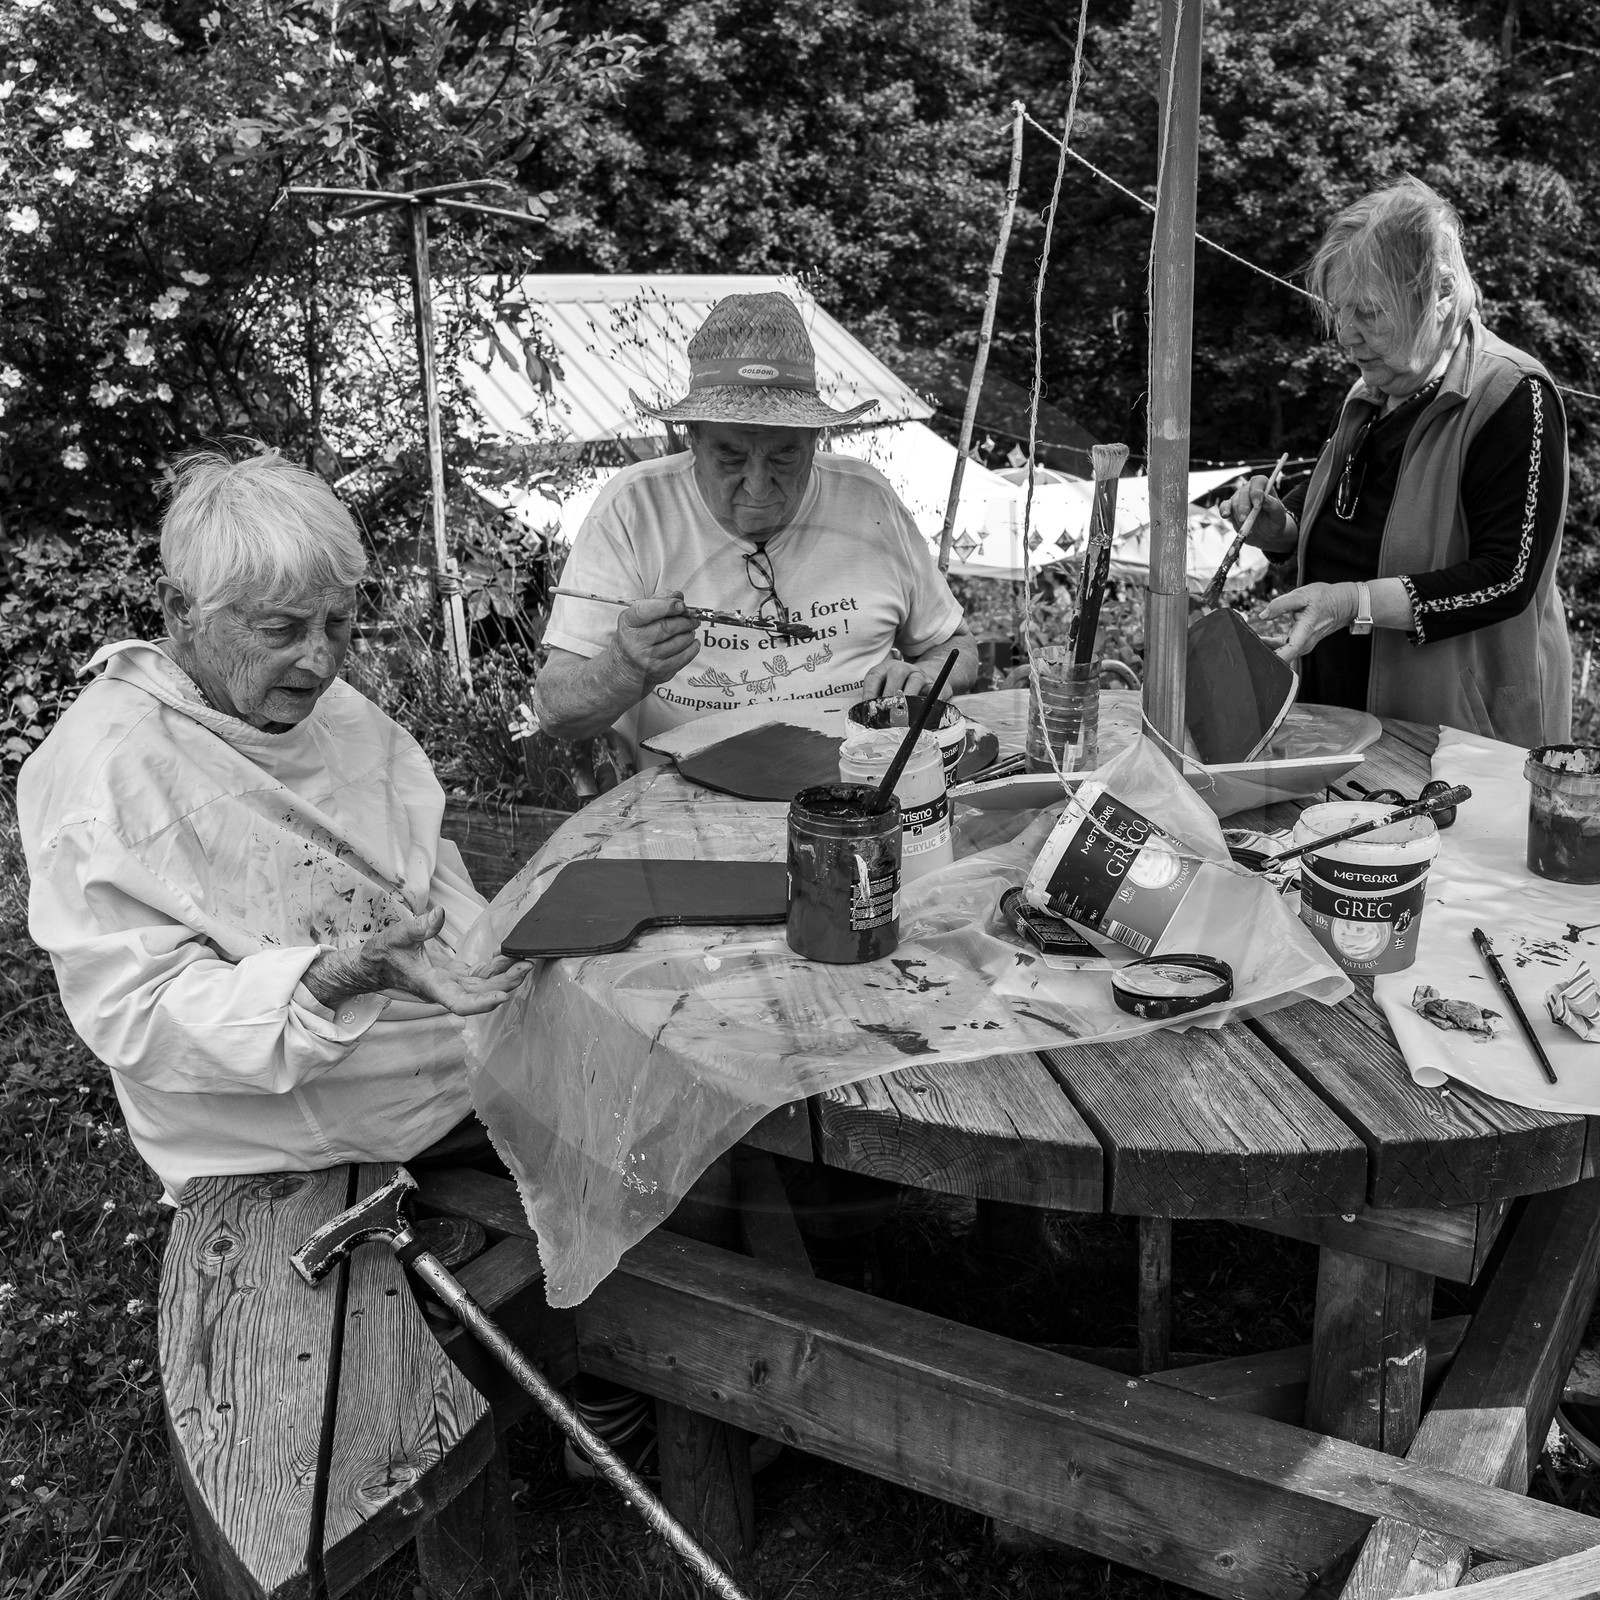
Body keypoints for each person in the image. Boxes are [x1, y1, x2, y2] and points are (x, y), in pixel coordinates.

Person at [18, 450, 530, 1202]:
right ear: (177, 611)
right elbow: (135, 1016)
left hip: (455, 1071)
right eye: (282, 628)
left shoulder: (337, 711)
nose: (319, 660)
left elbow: (424, 862)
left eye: (339, 622)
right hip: (299, 1149)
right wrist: (337, 976)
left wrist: (501, 950)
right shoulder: (107, 772)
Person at [534, 291, 978, 760]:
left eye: (785, 454)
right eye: (731, 455)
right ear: (694, 437)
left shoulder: (868, 498)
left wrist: (927, 677)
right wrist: (623, 667)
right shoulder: (634, 508)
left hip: (858, 786)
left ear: (814, 438)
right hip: (683, 804)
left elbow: (954, 645)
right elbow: (556, 712)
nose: (759, 486)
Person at [1225, 177, 1570, 747]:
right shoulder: (1374, 391)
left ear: (1439, 294)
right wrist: (1282, 529)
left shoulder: (1512, 394)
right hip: (1346, 717)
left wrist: (1353, 604)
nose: (1346, 334)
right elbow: (1361, 514)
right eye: (1339, 311)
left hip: (1459, 742)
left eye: (1368, 312)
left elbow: (1506, 579)